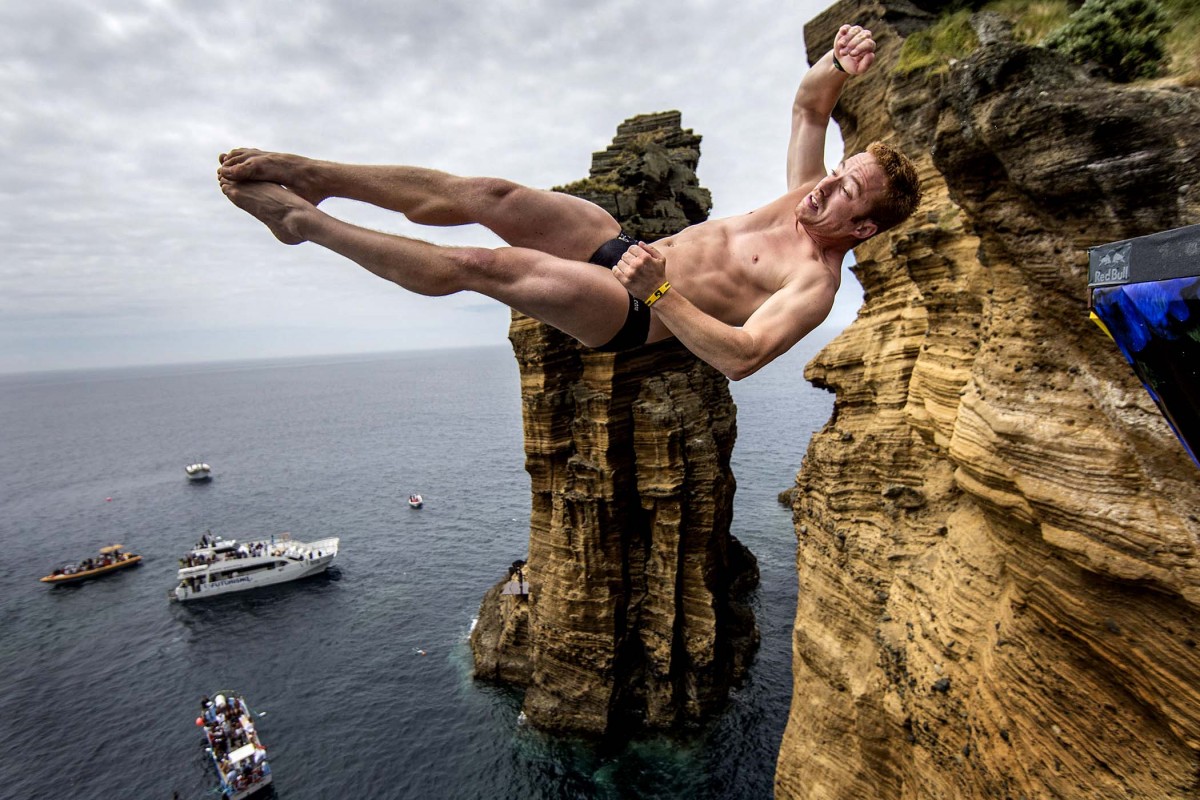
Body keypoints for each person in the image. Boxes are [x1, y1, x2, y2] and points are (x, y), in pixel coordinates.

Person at [218, 24, 920, 381]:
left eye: (846, 191)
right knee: (486, 194)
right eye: (838, 171)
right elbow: (808, 110)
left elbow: (740, 357)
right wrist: (840, 58)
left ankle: (304, 222)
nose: (825, 184)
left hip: (636, 311)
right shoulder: (809, 192)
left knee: (483, 264)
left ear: (861, 227)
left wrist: (663, 292)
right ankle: (317, 174)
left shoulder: (813, 285)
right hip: (627, 249)